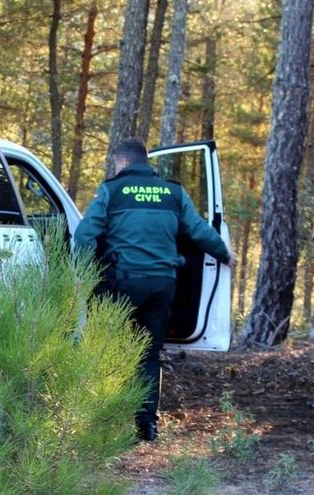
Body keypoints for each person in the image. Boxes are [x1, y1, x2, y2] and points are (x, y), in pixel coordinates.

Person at [74, 137, 234, 442]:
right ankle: (146, 425)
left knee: (109, 350)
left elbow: (85, 236)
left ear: (120, 162)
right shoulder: (173, 193)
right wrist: (225, 254)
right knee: (148, 355)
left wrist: (82, 274)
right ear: (146, 161)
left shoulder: (112, 191)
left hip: (122, 284)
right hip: (162, 285)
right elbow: (199, 231)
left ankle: (103, 420)